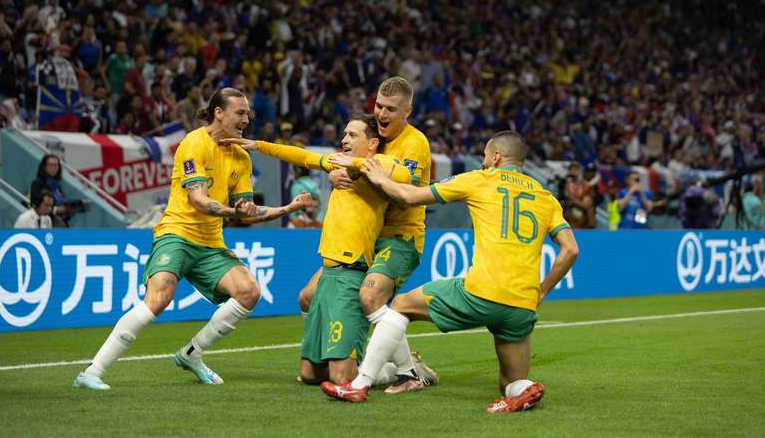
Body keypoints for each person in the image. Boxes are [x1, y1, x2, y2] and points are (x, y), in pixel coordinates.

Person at [321, 131, 579, 414]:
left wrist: (380, 178)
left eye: (484, 156)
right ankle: (523, 389)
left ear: (495, 156)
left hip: (480, 292)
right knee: (510, 382)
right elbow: (570, 250)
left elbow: (409, 195)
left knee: (401, 305)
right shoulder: (546, 197)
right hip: (521, 305)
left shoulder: (480, 179)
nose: (482, 162)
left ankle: (360, 384)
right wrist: (542, 290)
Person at [74, 88, 311, 391]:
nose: (246, 119)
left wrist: (287, 208)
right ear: (219, 113)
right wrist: (232, 211)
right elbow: (199, 200)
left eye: (248, 113)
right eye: (240, 112)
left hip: (211, 243)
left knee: (249, 291)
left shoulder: (241, 156)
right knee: (159, 298)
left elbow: (247, 212)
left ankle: (192, 354)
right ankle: (92, 371)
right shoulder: (193, 143)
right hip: (177, 233)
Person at [222, 114, 417, 387]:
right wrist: (257, 145)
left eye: (352, 135)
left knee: (341, 377)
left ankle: (393, 369)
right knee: (310, 375)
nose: (343, 140)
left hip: (353, 272)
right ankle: (377, 363)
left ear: (373, 142)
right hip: (328, 271)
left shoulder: (380, 167)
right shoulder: (339, 164)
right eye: (344, 134)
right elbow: (302, 156)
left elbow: (403, 174)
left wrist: (354, 165)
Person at [316, 76, 438, 393]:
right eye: (379, 106)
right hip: (366, 238)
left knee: (370, 297)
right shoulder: (377, 139)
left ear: (407, 111)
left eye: (391, 109)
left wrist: (354, 172)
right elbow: (348, 160)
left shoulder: (415, 144)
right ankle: (325, 357)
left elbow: (401, 193)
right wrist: (336, 173)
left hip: (401, 237)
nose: (382, 114)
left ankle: (408, 372)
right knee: (308, 295)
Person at [29, 154, 72, 227]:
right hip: (44, 224)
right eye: (51, 165)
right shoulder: (38, 183)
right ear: (44, 167)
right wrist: (55, 209)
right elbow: (35, 205)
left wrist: (68, 210)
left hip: (61, 222)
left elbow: (61, 203)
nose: (54, 168)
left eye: (56, 165)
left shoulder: (58, 185)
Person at [563, 162, 595, 229]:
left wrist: (573, 201)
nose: (573, 172)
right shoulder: (566, 185)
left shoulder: (585, 185)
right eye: (571, 170)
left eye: (575, 169)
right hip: (569, 221)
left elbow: (586, 205)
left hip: (583, 223)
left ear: (579, 171)